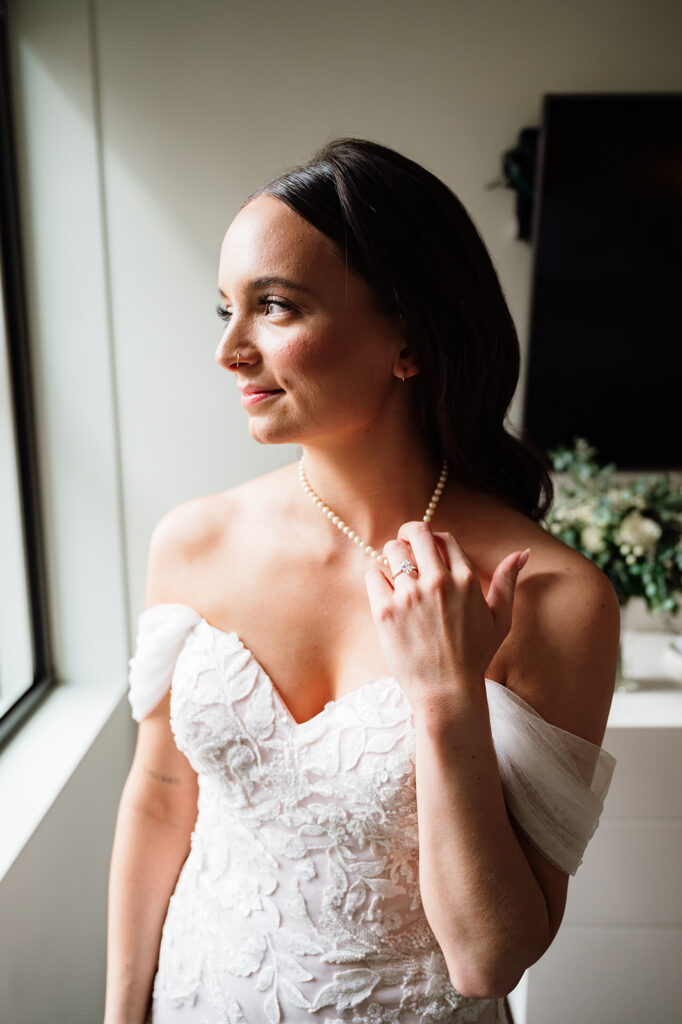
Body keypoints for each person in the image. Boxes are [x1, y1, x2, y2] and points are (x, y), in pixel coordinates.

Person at [104, 138, 619, 1024]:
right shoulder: (191, 543)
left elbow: (488, 960)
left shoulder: (553, 599)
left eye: (274, 307)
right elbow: (160, 797)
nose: (230, 350)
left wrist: (446, 695)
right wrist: (119, 1013)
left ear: (409, 338)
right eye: (225, 309)